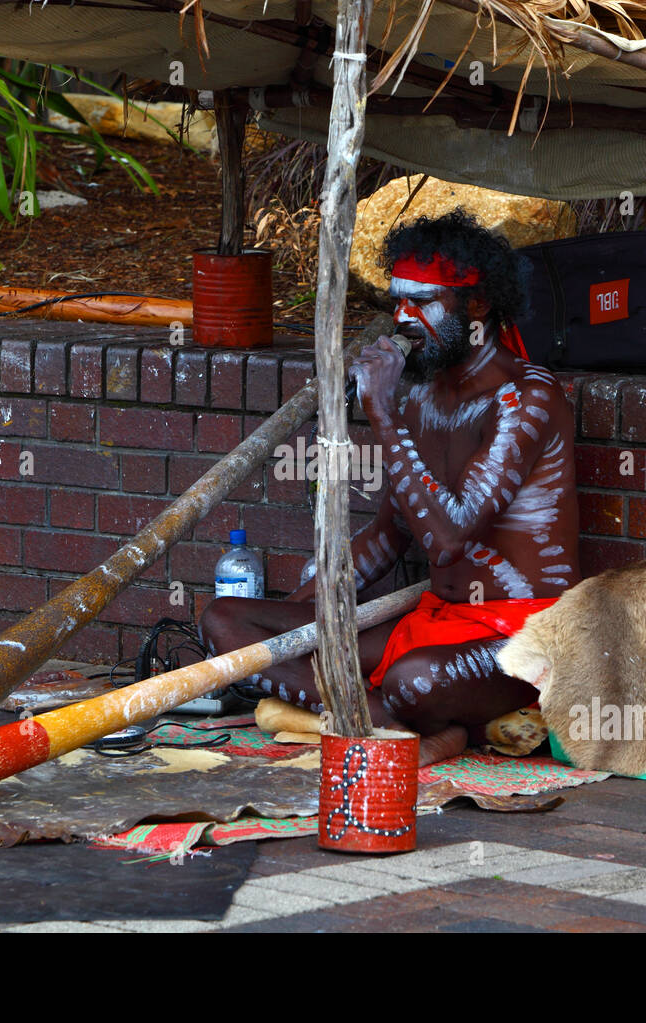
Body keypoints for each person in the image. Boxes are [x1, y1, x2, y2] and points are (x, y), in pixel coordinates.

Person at [199, 209, 580, 765]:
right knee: (225, 622)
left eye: (422, 302)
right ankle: (413, 733)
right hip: (435, 620)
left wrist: (380, 412)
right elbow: (390, 534)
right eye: (396, 301)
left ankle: (399, 723)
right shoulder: (419, 398)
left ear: (477, 305)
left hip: (524, 632)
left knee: (413, 681)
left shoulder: (526, 398)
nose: (401, 318)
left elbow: (448, 538)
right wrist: (297, 623)